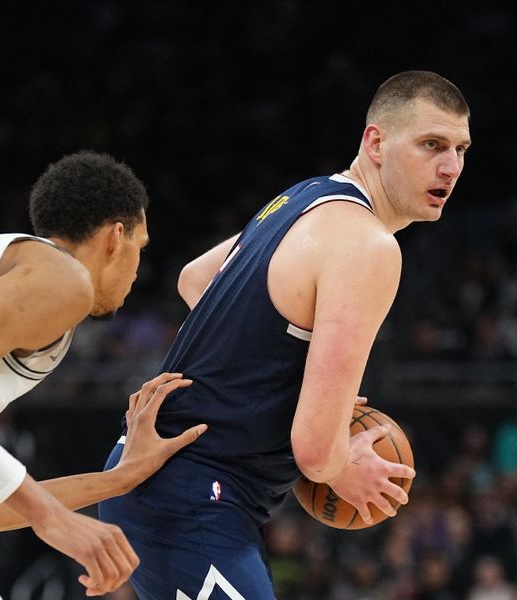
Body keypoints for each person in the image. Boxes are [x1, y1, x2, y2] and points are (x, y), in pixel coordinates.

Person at [99, 70, 470, 599]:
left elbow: (195, 279)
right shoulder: (369, 246)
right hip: (190, 494)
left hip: (165, 483)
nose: (451, 166)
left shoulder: (307, 196)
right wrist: (345, 466)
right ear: (377, 142)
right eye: (431, 144)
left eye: (460, 149)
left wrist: (269, 382)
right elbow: (317, 453)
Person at [0, 151, 206, 599]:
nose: (138, 271)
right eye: (141, 247)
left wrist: (120, 479)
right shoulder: (61, 278)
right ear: (116, 237)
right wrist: (49, 516)